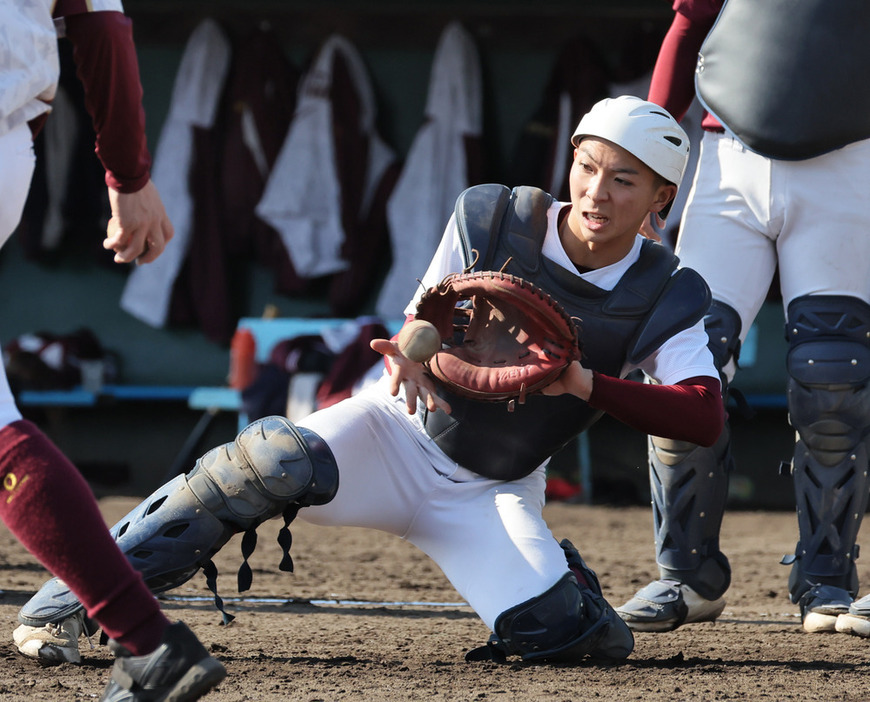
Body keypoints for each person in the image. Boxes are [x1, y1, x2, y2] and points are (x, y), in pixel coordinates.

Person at [13, 95, 723, 665]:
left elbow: (701, 416)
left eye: (624, 180)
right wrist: (411, 350)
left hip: (494, 487)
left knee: (563, 637)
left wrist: (581, 383)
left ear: (660, 198)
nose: (597, 192)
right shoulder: (496, 215)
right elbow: (429, 312)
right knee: (267, 461)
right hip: (395, 431)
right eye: (587, 167)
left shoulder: (669, 291)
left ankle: (569, 592)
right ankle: (66, 601)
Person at [616, 0, 870, 637]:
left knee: (832, 377)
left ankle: (827, 578)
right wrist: (652, 153)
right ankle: (688, 574)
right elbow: (689, 19)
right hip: (728, 159)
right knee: (684, 361)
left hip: (850, 160)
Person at [1, 2, 226, 699]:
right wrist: (127, 178)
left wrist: (130, 178)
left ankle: (148, 640)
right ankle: (147, 639)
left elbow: (101, 24)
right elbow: (101, 22)